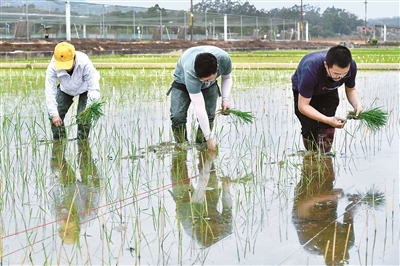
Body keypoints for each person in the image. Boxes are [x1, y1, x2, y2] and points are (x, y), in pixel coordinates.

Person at [292, 45, 363, 153]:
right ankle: (311, 156)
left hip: (328, 90)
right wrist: (328, 119)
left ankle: (324, 157)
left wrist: (357, 104)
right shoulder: (310, 69)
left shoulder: (351, 66)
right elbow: (303, 106)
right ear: (326, 65)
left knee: (327, 126)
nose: (341, 77)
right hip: (304, 93)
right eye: (336, 74)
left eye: (344, 74)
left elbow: (351, 89)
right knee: (310, 126)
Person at [292, 154, 359, 264]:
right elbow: (349, 216)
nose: (338, 243)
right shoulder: (348, 242)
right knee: (326, 169)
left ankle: (314, 151)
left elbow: (303, 205)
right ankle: (319, 148)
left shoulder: (310, 242)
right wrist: (356, 203)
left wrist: (329, 196)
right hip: (327, 206)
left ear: (326, 252)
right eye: (341, 248)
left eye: (337, 248)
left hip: (307, 197)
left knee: (313, 170)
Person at [167, 45, 233, 151]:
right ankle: (182, 146)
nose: (205, 82)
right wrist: (210, 138)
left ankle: (201, 146)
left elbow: (227, 77)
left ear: (217, 68)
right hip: (182, 82)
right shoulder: (190, 72)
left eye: (208, 79)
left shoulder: (224, 59)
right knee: (177, 116)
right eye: (202, 80)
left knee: (209, 115)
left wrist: (225, 99)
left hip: (211, 87)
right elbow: (199, 107)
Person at [170, 147, 232, 248]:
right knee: (210, 171)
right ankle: (204, 148)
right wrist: (226, 189)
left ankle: (179, 149)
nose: (211, 220)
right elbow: (227, 208)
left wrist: (209, 162)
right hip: (198, 206)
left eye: (210, 221)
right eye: (211, 221)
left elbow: (201, 183)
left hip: (184, 202)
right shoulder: (226, 228)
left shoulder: (193, 220)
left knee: (178, 167)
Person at [45, 42, 101, 140]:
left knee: (83, 118)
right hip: (65, 89)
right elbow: (50, 91)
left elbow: (94, 88)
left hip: (85, 89)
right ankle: (60, 144)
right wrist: (54, 114)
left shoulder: (84, 62)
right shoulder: (52, 66)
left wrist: (89, 104)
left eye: (68, 64)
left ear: (74, 58)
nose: (65, 68)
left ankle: (82, 143)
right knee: (54, 117)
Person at [50, 139, 100, 245]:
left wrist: (59, 179)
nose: (66, 219)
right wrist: (91, 182)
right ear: (78, 226)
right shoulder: (88, 215)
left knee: (57, 163)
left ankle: (65, 141)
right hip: (86, 185)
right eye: (69, 222)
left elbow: (55, 194)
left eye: (65, 222)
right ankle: (83, 144)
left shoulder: (58, 214)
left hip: (69, 185)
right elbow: (96, 192)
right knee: (85, 160)